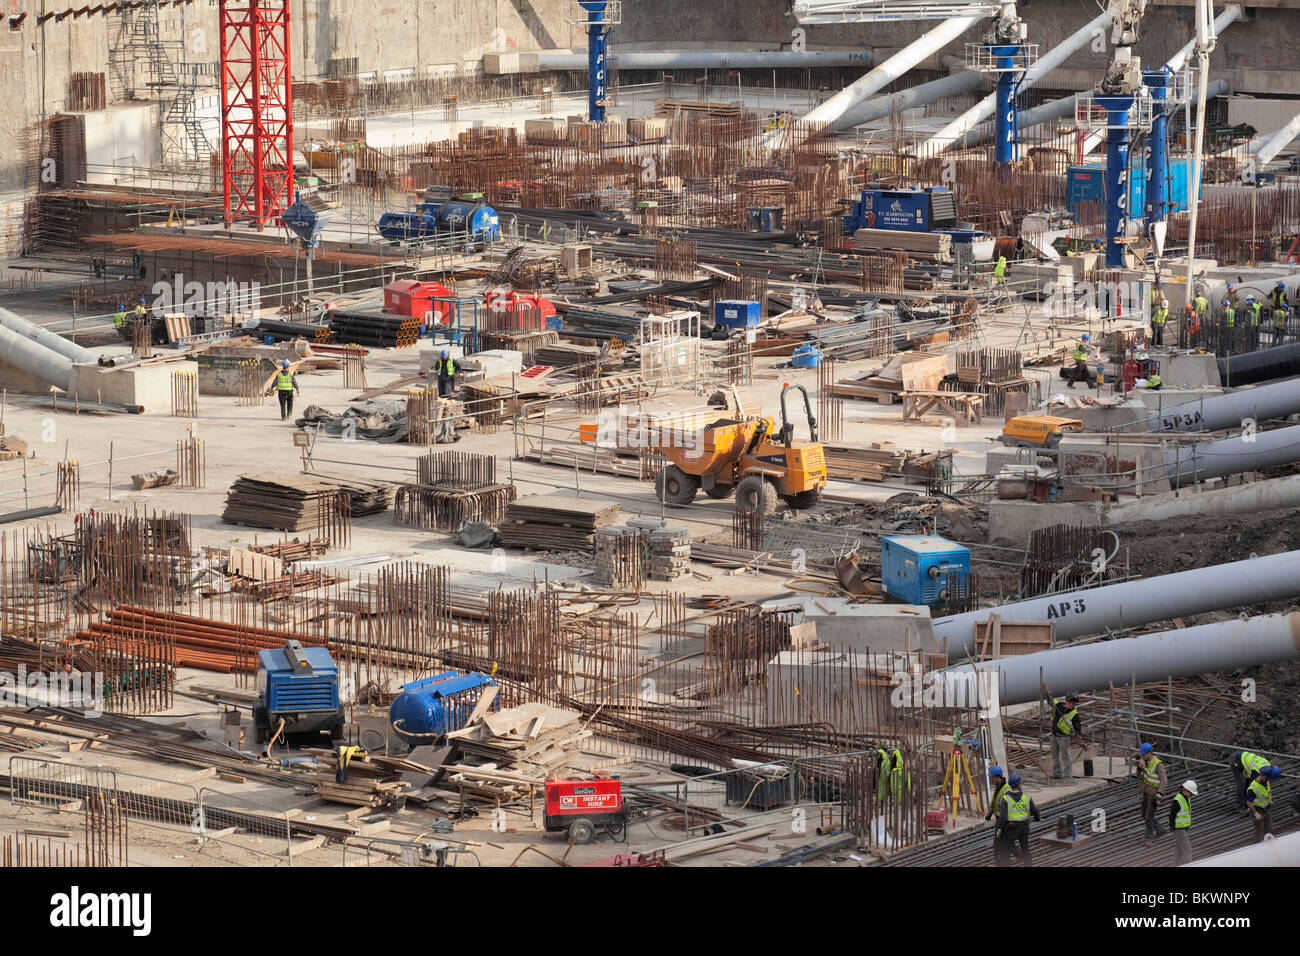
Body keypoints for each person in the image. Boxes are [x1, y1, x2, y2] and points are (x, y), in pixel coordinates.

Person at [996, 774, 1041, 866]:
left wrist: (1000, 829)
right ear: (1019, 785)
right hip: (1024, 827)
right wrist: (1037, 818)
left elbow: (1003, 817)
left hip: (1012, 827)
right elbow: (1035, 811)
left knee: (1006, 849)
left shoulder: (1006, 799)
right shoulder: (1026, 797)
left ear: (1010, 786)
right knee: (1025, 848)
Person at [1137, 742, 1167, 840]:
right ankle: (1160, 829)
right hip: (1146, 791)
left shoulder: (1158, 764)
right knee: (1144, 814)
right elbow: (1139, 776)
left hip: (1153, 794)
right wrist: (1140, 768)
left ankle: (1148, 837)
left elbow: (1164, 779)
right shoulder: (1145, 762)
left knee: (1148, 816)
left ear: (1149, 753)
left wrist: (1160, 793)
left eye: (1143, 754)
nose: (1142, 756)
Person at [1050, 690, 1083, 779]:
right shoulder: (1058, 705)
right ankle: (1056, 773)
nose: (1072, 704)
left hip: (1063, 738)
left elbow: (1077, 726)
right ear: (1066, 700)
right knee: (1054, 756)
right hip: (1054, 735)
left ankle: (1068, 776)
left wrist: (1078, 737)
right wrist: (1048, 692)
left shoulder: (1074, 714)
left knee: (1066, 757)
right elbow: (1050, 701)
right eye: (1070, 701)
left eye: (1074, 702)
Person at [1246, 765, 1281, 842]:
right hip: (1258, 810)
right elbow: (1249, 802)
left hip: (1266, 808)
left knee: (1269, 829)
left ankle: (1269, 845)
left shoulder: (1265, 782)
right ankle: (1255, 847)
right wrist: (1255, 813)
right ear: (1263, 776)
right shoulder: (1253, 788)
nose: (1269, 780)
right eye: (1268, 778)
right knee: (1259, 832)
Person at [986, 765, 1012, 866]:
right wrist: (990, 812)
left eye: (992, 778)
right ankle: (1019, 856)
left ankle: (999, 864)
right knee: (1006, 841)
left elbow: (1008, 807)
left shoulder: (1007, 790)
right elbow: (995, 801)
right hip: (999, 818)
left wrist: (1003, 823)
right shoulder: (998, 787)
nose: (991, 780)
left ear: (998, 777)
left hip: (1003, 820)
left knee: (997, 843)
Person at [1169, 780, 1197, 865]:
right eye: (1191, 793)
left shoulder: (1186, 798)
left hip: (1183, 828)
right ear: (1185, 790)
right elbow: (1172, 815)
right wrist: (1173, 827)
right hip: (1179, 829)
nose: (1192, 795)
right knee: (1187, 849)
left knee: (1179, 850)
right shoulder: (1178, 800)